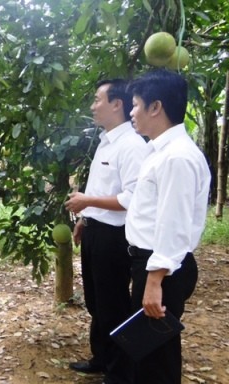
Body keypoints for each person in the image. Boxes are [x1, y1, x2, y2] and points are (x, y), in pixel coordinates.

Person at [125, 69, 211, 384]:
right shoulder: (160, 152)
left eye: (135, 104)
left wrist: (154, 279)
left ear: (155, 107)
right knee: (149, 353)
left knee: (156, 360)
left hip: (162, 269)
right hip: (151, 264)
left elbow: (172, 223)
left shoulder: (176, 158)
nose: (131, 112)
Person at [65, 79, 147, 384]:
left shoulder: (132, 146)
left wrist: (87, 201)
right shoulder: (106, 140)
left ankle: (119, 372)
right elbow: (100, 189)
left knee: (113, 304)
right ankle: (101, 358)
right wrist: (85, 218)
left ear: (117, 104)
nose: (93, 106)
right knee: (95, 300)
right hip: (96, 232)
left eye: (98, 99)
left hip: (116, 237)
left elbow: (132, 198)